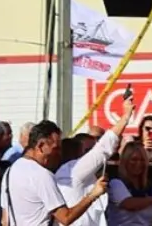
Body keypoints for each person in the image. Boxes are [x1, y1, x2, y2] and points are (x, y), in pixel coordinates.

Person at [0, 120, 108, 225]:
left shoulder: (10, 172)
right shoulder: (41, 175)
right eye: (56, 149)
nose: (59, 154)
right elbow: (66, 218)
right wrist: (92, 195)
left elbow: (5, 221)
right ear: (41, 146)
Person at [56, 94, 134, 226]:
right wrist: (126, 116)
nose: (92, 155)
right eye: (88, 151)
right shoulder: (73, 170)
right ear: (77, 153)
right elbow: (104, 148)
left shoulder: (69, 174)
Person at [106, 141, 152, 226]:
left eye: (142, 160)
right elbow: (128, 203)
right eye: (134, 159)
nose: (138, 163)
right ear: (125, 161)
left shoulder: (150, 187)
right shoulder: (116, 183)